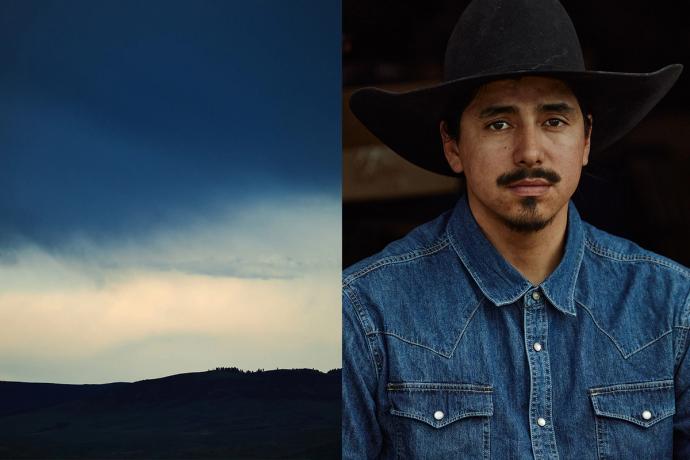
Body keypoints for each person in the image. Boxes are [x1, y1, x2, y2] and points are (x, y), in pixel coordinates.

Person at [342, 0, 689, 458]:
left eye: (553, 121)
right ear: (453, 146)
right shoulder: (366, 313)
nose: (529, 151)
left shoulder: (670, 306)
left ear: (585, 140)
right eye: (499, 122)